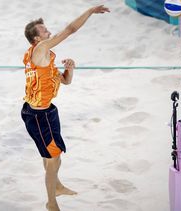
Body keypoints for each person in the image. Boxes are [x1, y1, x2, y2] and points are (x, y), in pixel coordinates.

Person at [21, 5, 110, 211]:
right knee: (52, 160)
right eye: (44, 31)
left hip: (48, 110)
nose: (49, 32)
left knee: (54, 156)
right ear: (36, 39)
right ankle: (51, 203)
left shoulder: (47, 56)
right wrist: (89, 11)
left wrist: (69, 70)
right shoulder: (40, 49)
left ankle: (57, 187)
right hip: (37, 115)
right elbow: (70, 29)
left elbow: (65, 81)